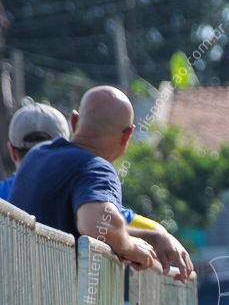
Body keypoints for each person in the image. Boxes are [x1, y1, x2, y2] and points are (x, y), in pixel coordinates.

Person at [9, 86, 191, 281]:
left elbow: (80, 224)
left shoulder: (36, 156)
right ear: (127, 135)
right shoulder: (97, 169)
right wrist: (129, 247)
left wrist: (154, 237)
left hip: (15, 297)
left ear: (74, 121)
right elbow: (97, 225)